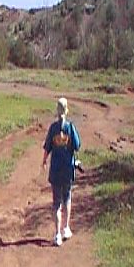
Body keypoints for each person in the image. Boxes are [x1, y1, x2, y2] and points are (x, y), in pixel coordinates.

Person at [42, 97, 81, 247]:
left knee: (56, 203)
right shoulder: (71, 127)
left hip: (56, 171)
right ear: (67, 110)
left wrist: (44, 161)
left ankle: (57, 234)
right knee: (67, 198)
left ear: (57, 111)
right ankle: (66, 228)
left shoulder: (52, 128)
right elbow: (77, 146)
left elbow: (47, 148)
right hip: (68, 170)